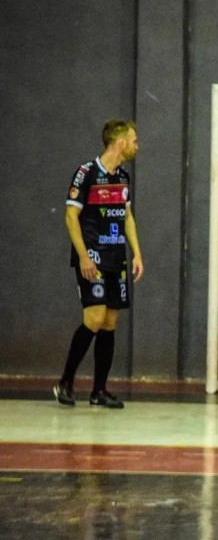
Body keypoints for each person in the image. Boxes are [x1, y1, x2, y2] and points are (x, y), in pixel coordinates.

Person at [54, 118, 144, 409]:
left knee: (110, 322)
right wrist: (83, 255)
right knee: (94, 318)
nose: (137, 146)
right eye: (134, 141)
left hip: (116, 258)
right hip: (92, 256)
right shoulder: (86, 173)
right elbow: (71, 216)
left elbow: (127, 216)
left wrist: (137, 253)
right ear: (121, 142)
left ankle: (99, 391)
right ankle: (65, 382)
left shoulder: (123, 177)